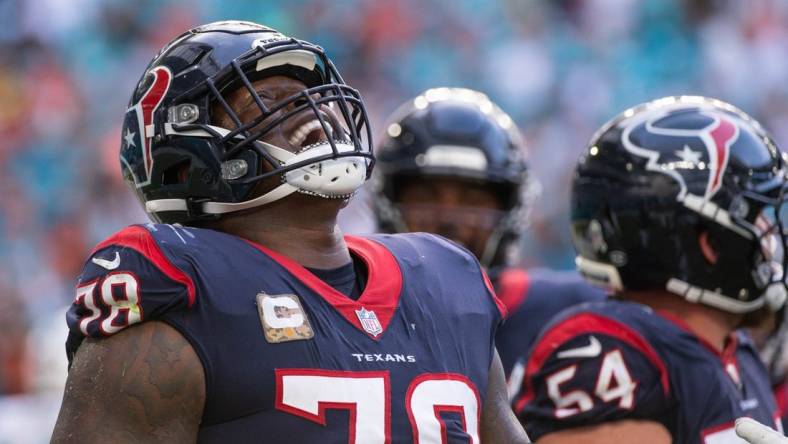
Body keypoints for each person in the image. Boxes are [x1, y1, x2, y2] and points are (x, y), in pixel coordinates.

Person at [50, 21, 528, 443]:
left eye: (312, 98)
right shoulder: (182, 289)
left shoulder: (446, 278)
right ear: (185, 163)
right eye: (273, 103)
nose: (315, 117)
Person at [513, 95, 788, 443]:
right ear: (711, 243)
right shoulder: (610, 353)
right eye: (757, 219)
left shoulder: (737, 351)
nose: (772, 241)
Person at [372, 87, 604, 384]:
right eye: (427, 194)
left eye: (472, 198)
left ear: (511, 207)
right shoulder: (351, 309)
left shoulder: (573, 309)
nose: (448, 218)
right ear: (387, 199)